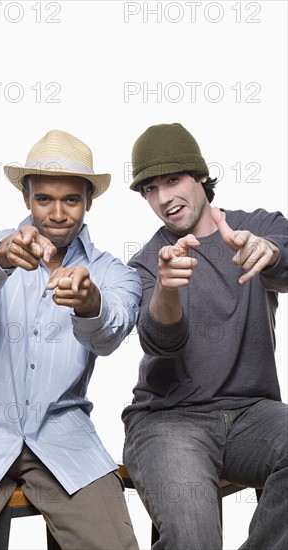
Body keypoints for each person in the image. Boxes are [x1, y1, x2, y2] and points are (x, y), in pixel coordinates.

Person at [0, 129, 141, 550]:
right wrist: (1, 256)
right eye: (44, 199)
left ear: (89, 201)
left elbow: (112, 330)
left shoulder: (113, 272)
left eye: (71, 200)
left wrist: (89, 302)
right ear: (26, 198)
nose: (57, 213)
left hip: (65, 438)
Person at [122, 123, 288, 550]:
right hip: (169, 420)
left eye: (173, 180)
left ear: (200, 177)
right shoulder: (146, 264)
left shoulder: (258, 227)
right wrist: (167, 289)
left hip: (253, 413)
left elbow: (284, 259)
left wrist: (271, 253)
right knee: (194, 539)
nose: (163, 199)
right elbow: (161, 340)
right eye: (150, 190)